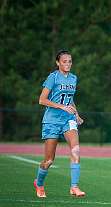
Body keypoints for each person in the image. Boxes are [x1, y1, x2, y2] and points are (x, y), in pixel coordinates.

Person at [34, 50, 86, 198]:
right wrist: (61, 106)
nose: (68, 64)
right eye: (64, 61)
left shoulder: (73, 78)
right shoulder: (53, 77)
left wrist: (76, 114)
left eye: (70, 61)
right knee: (49, 160)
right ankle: (39, 183)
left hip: (67, 120)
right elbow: (42, 100)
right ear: (58, 63)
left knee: (75, 150)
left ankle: (74, 187)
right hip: (51, 121)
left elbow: (70, 100)